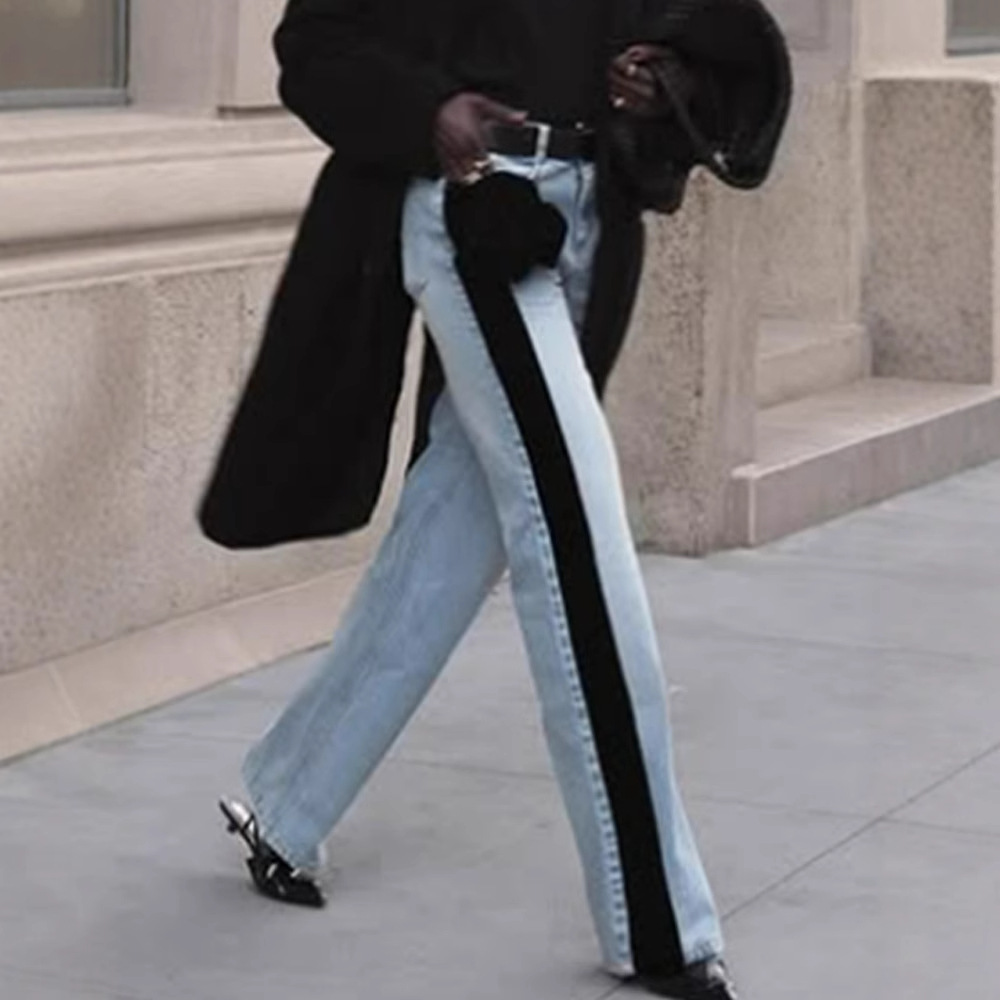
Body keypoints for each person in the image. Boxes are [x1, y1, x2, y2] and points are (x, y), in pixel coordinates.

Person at [203, 1, 790, 996]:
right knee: (580, 546)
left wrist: (665, 83)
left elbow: (697, 30)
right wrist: (427, 110)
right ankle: (658, 923)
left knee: (451, 533)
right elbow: (315, 46)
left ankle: (287, 802)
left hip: (593, 217)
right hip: (479, 218)